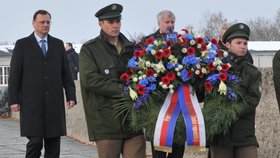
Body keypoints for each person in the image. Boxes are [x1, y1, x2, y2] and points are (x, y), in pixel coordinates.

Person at [79, 3, 146, 158]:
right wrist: (123, 90)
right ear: (100, 23)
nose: (115, 26)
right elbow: (90, 80)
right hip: (106, 121)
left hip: (132, 121)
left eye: (118, 21)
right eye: (110, 22)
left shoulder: (131, 48)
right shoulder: (90, 49)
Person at [8, 10, 76, 158]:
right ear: (34, 24)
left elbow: (66, 73)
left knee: (53, 145)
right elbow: (14, 74)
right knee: (35, 142)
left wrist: (71, 95)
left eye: (48, 22)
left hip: (54, 103)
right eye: (42, 22)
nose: (46, 25)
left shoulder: (58, 44)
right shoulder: (22, 44)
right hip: (32, 103)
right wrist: (13, 99)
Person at [208, 23, 261, 158]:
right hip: (220, 135)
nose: (243, 46)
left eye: (245, 43)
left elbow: (252, 99)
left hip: (244, 134)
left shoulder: (252, 72)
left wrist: (230, 112)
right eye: (238, 43)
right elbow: (207, 95)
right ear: (227, 44)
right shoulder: (214, 68)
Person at [144, 10, 185, 158]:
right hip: (158, 104)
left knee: (178, 149)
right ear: (159, 23)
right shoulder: (148, 42)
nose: (170, 25)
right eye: (167, 22)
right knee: (159, 150)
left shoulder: (182, 42)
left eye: (172, 22)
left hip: (179, 102)